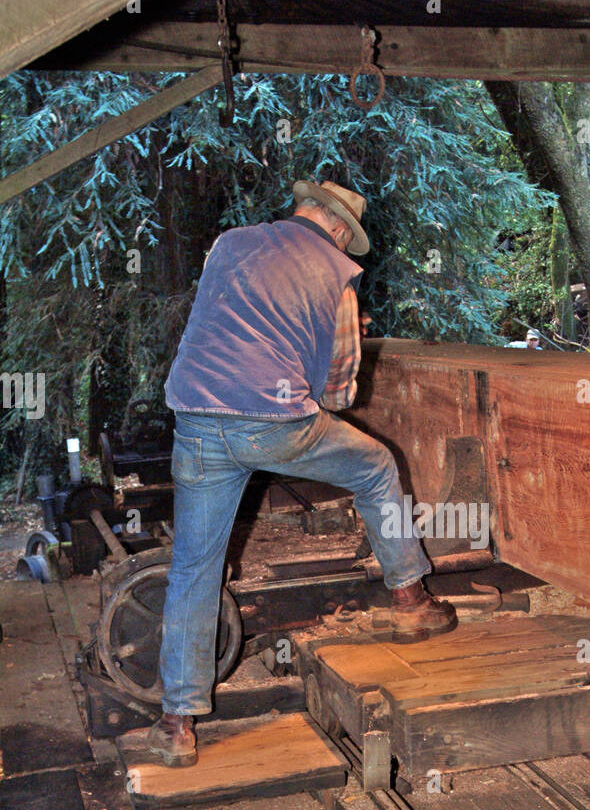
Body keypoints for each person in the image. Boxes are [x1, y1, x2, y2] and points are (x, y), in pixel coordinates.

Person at [148, 179, 456, 768]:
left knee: (194, 568)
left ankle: (175, 724)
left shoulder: (231, 243)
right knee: (375, 466)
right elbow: (337, 394)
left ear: (303, 209)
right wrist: (331, 338)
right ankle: (411, 599)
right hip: (273, 423)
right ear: (341, 231)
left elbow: (225, 324)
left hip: (196, 416)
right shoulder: (337, 277)